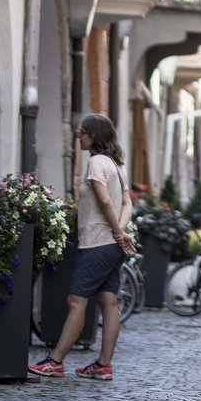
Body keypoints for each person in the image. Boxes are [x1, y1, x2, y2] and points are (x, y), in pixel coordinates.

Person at [29, 113, 136, 382]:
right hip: (111, 244)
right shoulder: (117, 165)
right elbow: (127, 204)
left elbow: (105, 202)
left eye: (82, 133)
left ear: (93, 136)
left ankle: (55, 361)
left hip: (97, 243)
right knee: (108, 301)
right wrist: (121, 233)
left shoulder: (97, 163)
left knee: (76, 301)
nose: (79, 137)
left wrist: (117, 231)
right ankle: (103, 365)